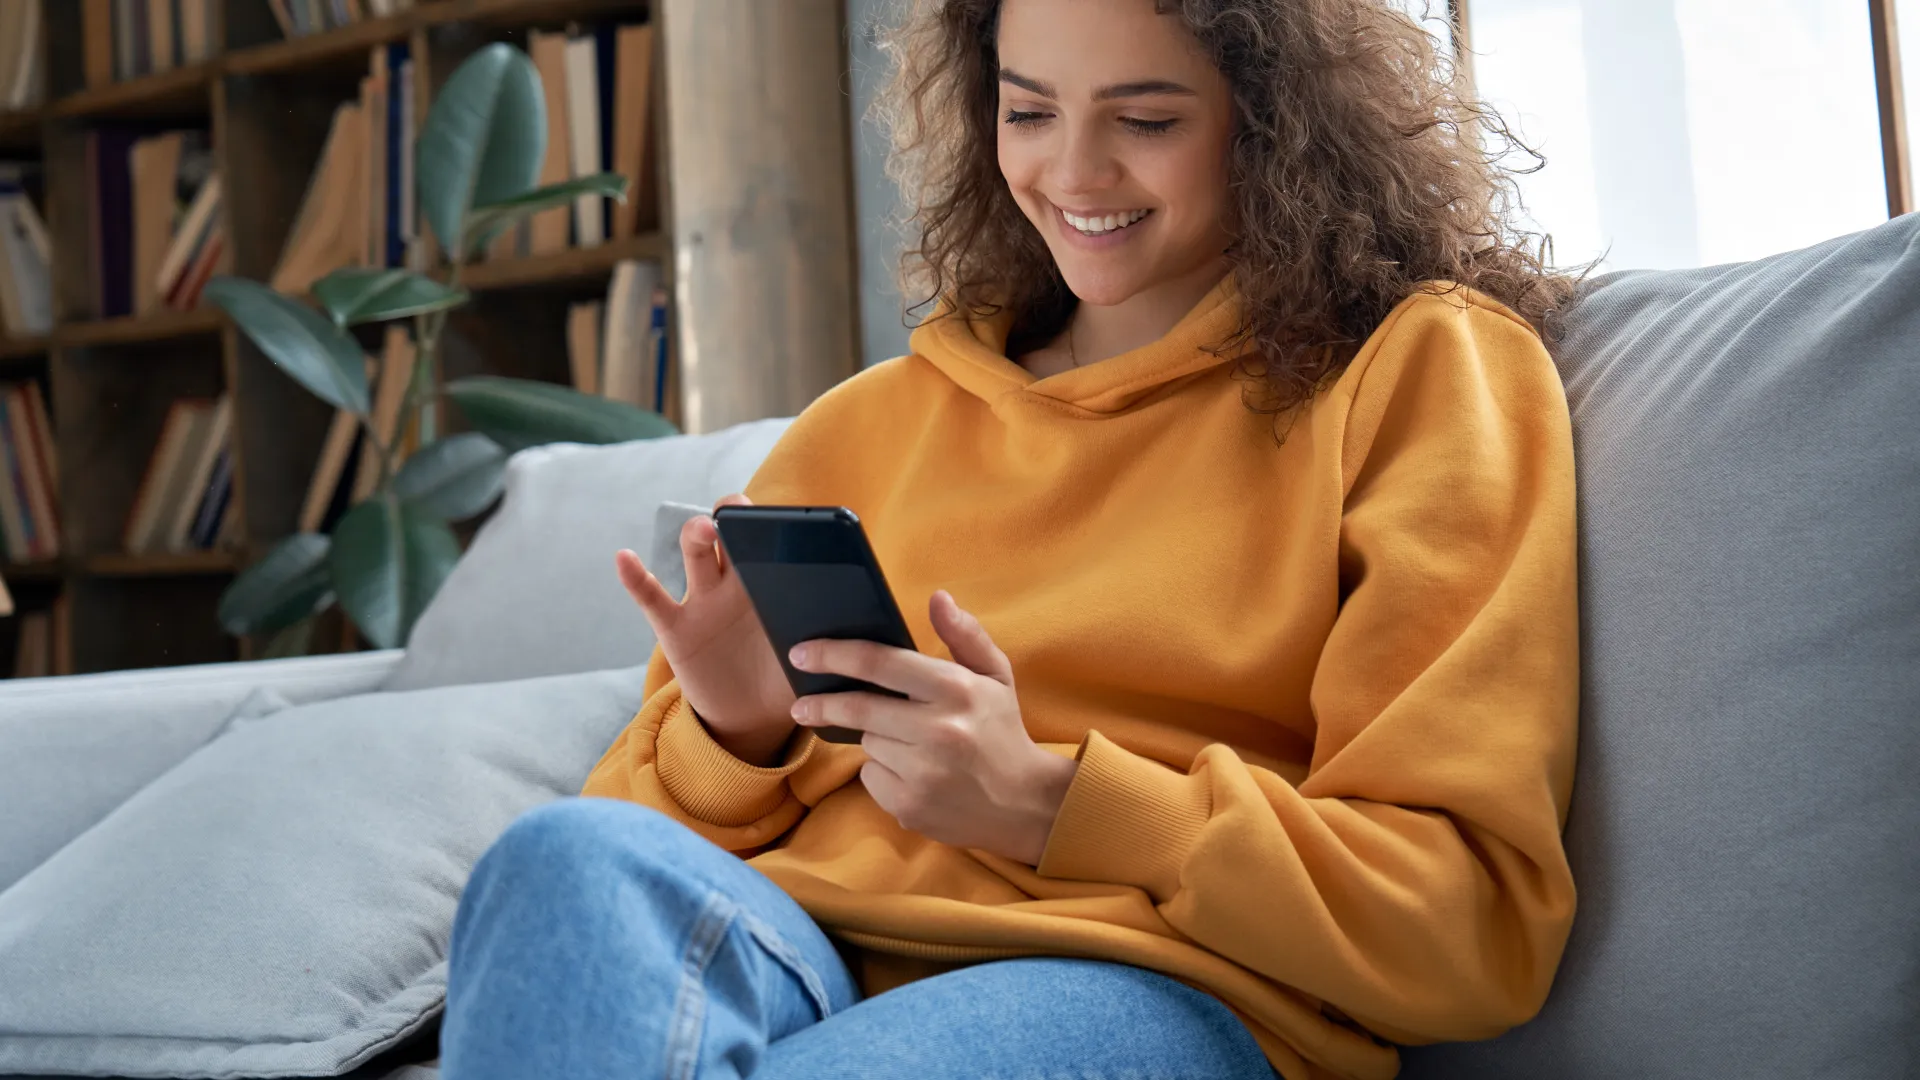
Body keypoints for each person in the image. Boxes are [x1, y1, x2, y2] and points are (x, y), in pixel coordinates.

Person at [439, 0, 1582, 1076]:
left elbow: (1465, 927)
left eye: (1145, 119)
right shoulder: (868, 424)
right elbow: (630, 891)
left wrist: (1050, 801)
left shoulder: (1417, 370)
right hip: (799, 947)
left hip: (1139, 983)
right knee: (556, 861)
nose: (1074, 173)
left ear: (1276, 124)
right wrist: (737, 736)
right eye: (1028, 111)